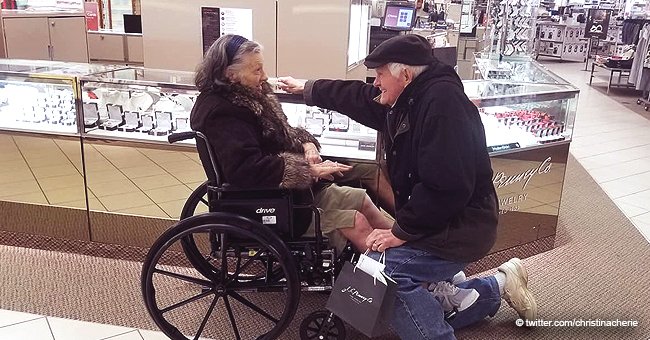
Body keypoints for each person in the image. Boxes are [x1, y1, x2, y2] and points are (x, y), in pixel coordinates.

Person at [278, 34, 537, 339]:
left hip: (461, 226)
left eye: (380, 74)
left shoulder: (442, 107)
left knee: (385, 272)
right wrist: (309, 88)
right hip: (442, 218)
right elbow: (358, 96)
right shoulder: (411, 96)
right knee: (384, 268)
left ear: (405, 73)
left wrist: (401, 232)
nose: (375, 82)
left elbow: (447, 187)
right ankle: (496, 288)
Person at [189, 34, 394, 253]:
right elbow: (246, 170)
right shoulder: (223, 113)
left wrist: (307, 144)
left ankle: (412, 248)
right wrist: (309, 170)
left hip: (290, 195)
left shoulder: (250, 98)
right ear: (231, 75)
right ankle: (394, 276)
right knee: (357, 221)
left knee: (360, 199)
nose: (265, 76)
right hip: (270, 205)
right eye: (257, 70)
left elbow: (281, 134)